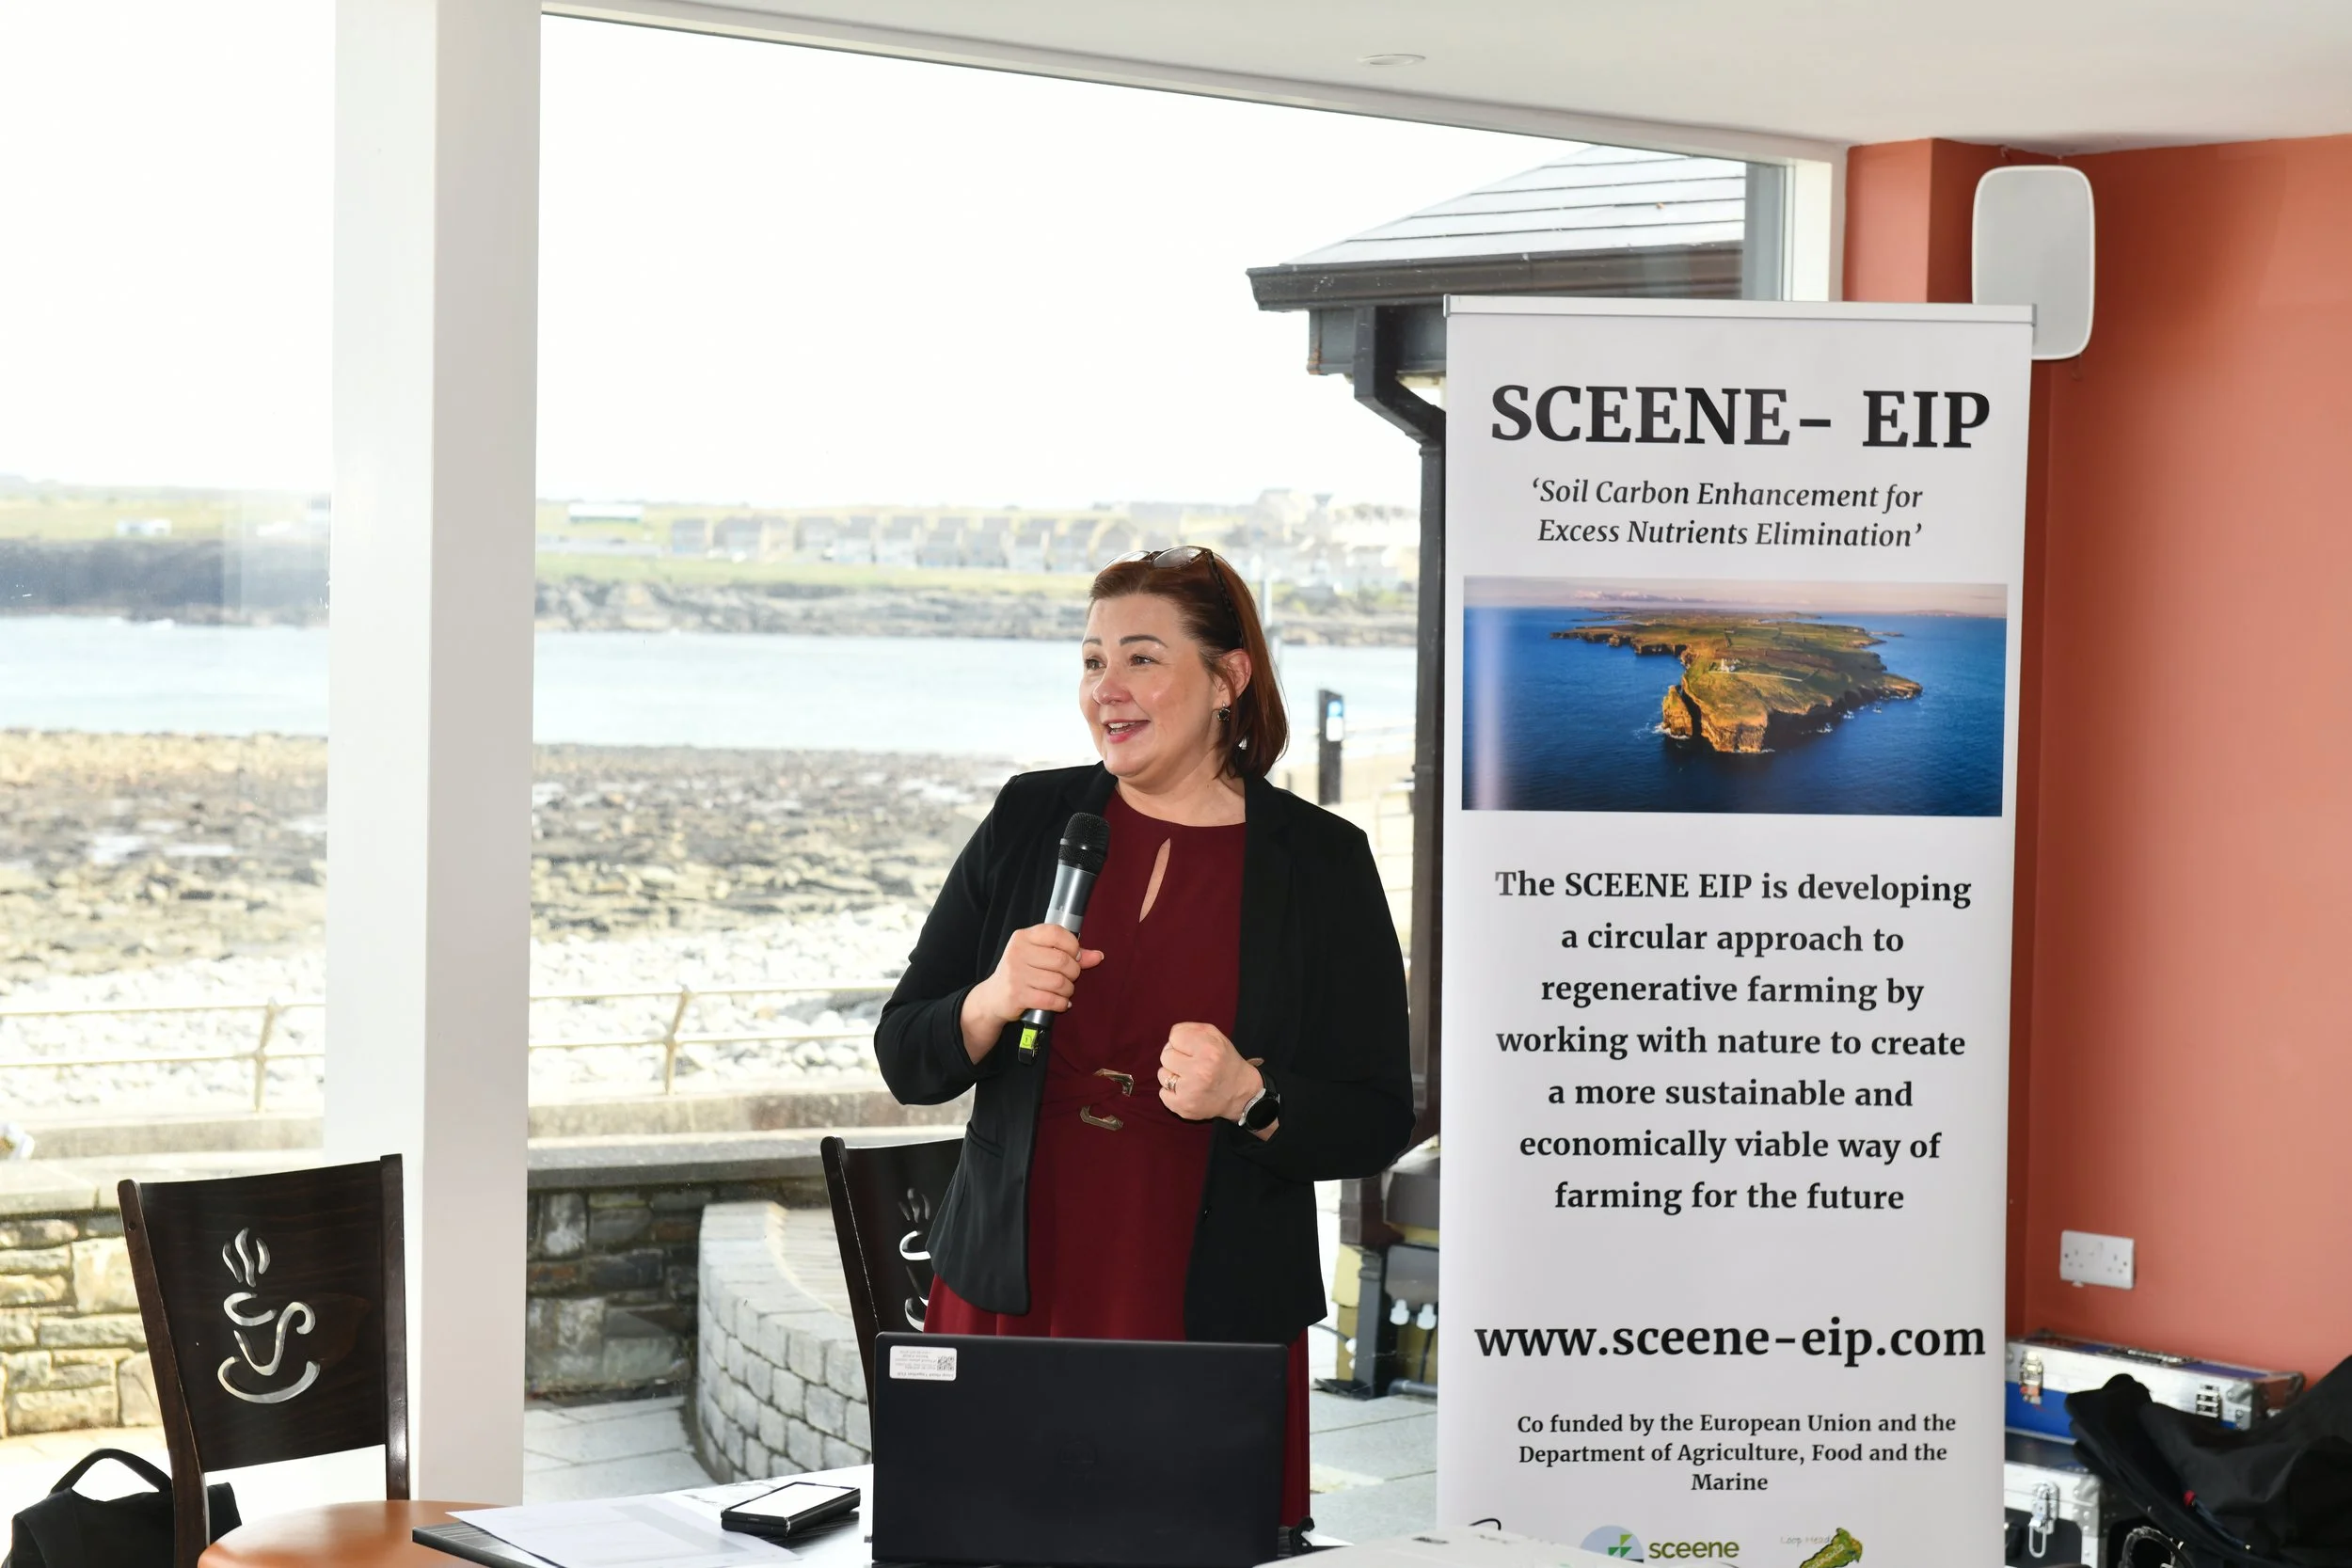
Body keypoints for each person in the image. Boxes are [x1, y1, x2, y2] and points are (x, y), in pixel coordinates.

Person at [875, 545, 1414, 1533]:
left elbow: (1379, 1114)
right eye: (1091, 661)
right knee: (989, 1543)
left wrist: (1252, 1095)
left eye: (1140, 659)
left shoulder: (1322, 862)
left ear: (1227, 677)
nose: (1106, 689)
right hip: (1013, 1282)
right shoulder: (1030, 816)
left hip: (1207, 1299)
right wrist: (990, 999)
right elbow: (904, 1051)